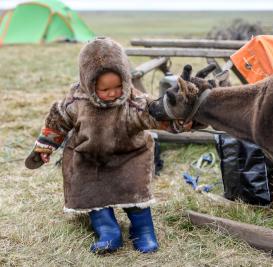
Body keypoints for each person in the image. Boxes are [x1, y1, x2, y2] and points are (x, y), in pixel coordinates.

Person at [25, 37, 187, 254]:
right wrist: (45, 147)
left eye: (119, 86)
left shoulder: (132, 102)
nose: (113, 93)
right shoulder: (76, 102)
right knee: (92, 192)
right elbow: (57, 122)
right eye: (104, 89)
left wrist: (177, 117)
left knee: (135, 191)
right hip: (89, 158)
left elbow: (153, 114)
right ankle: (108, 231)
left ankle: (143, 230)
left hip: (130, 155)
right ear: (88, 83)